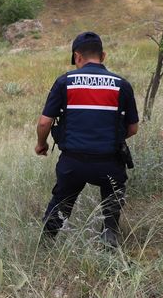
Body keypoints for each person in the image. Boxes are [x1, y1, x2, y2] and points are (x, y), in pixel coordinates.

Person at [35, 32, 139, 247]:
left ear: (77, 56)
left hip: (73, 161)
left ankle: (45, 245)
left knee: (62, 202)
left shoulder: (65, 82)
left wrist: (41, 144)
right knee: (112, 203)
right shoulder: (122, 85)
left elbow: (45, 122)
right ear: (103, 55)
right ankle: (109, 236)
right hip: (110, 160)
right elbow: (133, 128)